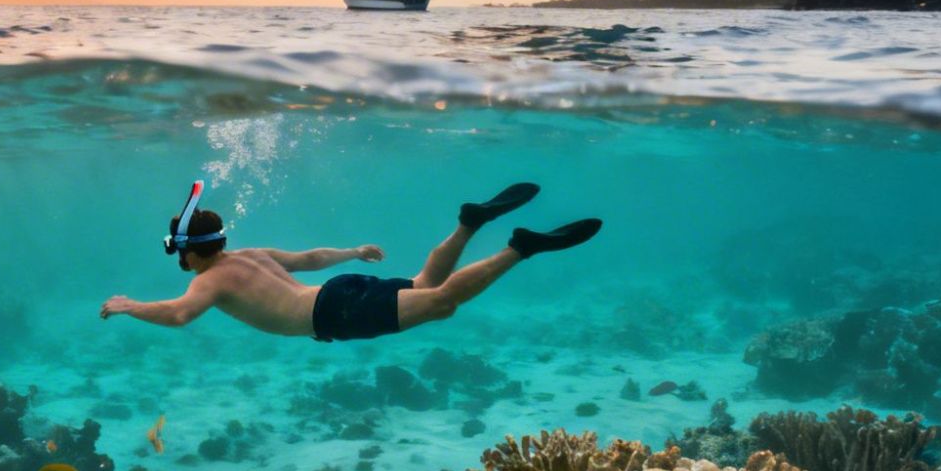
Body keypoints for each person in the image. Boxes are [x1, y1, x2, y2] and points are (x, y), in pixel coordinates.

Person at [99, 181, 600, 341]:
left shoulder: (209, 282)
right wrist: (355, 251)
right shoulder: (250, 255)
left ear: (187, 250)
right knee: (427, 280)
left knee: (443, 301)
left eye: (176, 251)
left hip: (333, 315)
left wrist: (129, 305)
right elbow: (311, 257)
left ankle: (521, 247)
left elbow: (179, 315)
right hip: (339, 288)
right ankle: (469, 222)